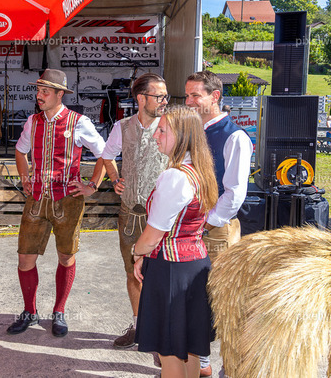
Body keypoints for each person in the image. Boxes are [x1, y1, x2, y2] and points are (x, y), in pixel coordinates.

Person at [7, 69, 105, 337]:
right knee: (25, 258)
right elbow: (20, 151)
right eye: (38, 91)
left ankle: (59, 311)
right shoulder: (33, 121)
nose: (39, 96)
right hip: (37, 199)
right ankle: (29, 311)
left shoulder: (79, 122)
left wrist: (92, 185)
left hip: (68, 200)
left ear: (60, 94)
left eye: (45, 92)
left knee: (65, 256)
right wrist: (25, 178)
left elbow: (104, 153)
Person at [131, 105, 218, 378]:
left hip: (171, 269)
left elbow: (153, 235)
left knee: (169, 351)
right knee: (190, 347)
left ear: (181, 135)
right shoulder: (200, 171)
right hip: (196, 265)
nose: (155, 135)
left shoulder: (175, 176)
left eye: (162, 130)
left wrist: (137, 252)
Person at [85, 73, 169, 348]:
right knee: (133, 273)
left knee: (164, 276)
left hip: (162, 218)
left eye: (165, 96)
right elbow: (107, 155)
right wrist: (114, 178)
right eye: (159, 96)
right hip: (130, 215)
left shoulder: (171, 126)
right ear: (141, 98)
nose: (164, 101)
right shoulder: (122, 127)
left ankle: (163, 333)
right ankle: (138, 327)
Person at [184, 70, 251, 376]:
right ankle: (201, 363)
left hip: (216, 230)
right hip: (194, 227)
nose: (189, 101)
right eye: (187, 95)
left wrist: (205, 225)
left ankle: (229, 367)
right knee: (195, 298)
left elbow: (235, 193)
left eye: (195, 95)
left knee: (222, 302)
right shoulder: (193, 131)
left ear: (215, 96)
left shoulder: (235, 136)